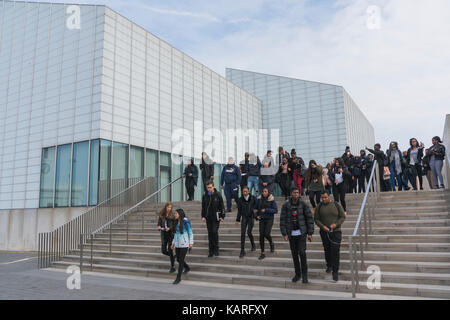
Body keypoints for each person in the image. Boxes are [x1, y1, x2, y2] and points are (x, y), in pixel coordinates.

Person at [280, 187, 314, 284]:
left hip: (301, 233)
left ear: (299, 194)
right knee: (294, 254)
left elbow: (309, 219)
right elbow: (282, 220)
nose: (296, 194)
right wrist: (284, 233)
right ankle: (297, 274)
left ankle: (304, 275)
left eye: (297, 192)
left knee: (302, 253)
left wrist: (310, 233)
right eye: (294, 192)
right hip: (291, 234)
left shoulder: (303, 204)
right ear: (291, 194)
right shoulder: (286, 205)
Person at [314, 190, 346, 282]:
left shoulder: (336, 204)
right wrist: (323, 226)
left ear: (329, 196)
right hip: (324, 232)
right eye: (322, 198)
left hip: (336, 231)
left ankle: (335, 272)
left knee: (335, 250)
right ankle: (329, 265)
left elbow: (342, 216)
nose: (323, 199)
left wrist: (336, 224)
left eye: (325, 197)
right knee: (327, 249)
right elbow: (316, 219)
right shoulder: (319, 206)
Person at [201, 180, 225, 257]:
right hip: (208, 218)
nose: (209, 189)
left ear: (213, 186)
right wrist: (203, 216)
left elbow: (222, 206)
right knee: (210, 234)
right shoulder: (205, 195)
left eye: (210, 187)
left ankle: (216, 249)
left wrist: (222, 216)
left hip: (216, 217)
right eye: (208, 188)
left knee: (214, 232)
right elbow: (203, 207)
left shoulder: (218, 195)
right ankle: (211, 251)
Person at [253, 187, 278, 260]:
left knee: (266, 234)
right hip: (262, 219)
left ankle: (271, 243)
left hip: (269, 219)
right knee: (261, 235)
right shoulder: (259, 199)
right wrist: (256, 216)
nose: (264, 193)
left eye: (265, 191)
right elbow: (255, 209)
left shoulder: (271, 199)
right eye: (263, 191)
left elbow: (275, 210)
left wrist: (266, 210)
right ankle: (262, 252)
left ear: (268, 192)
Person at [171, 208, 194, 284]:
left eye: (176, 213)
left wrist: (191, 243)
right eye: (175, 214)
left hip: (184, 244)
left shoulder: (185, 222)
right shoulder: (175, 222)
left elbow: (190, 233)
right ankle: (187, 267)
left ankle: (178, 277)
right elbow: (175, 234)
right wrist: (173, 243)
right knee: (178, 259)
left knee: (180, 260)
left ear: (180, 214)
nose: (175, 215)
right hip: (177, 244)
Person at [235, 186, 257, 257]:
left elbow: (256, 207)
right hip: (244, 217)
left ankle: (253, 244)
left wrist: (256, 215)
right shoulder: (240, 199)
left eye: (246, 191)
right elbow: (239, 210)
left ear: (249, 191)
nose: (244, 193)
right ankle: (242, 250)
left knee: (249, 232)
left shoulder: (253, 198)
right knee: (242, 233)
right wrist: (237, 220)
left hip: (251, 217)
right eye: (243, 191)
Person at [157, 202, 176, 273]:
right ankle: (173, 256)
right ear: (165, 207)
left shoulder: (173, 215)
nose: (169, 209)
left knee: (170, 250)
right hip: (163, 234)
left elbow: (175, 225)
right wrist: (159, 226)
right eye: (168, 207)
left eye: (170, 207)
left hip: (170, 234)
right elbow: (159, 223)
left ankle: (172, 267)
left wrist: (170, 228)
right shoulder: (161, 215)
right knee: (163, 251)